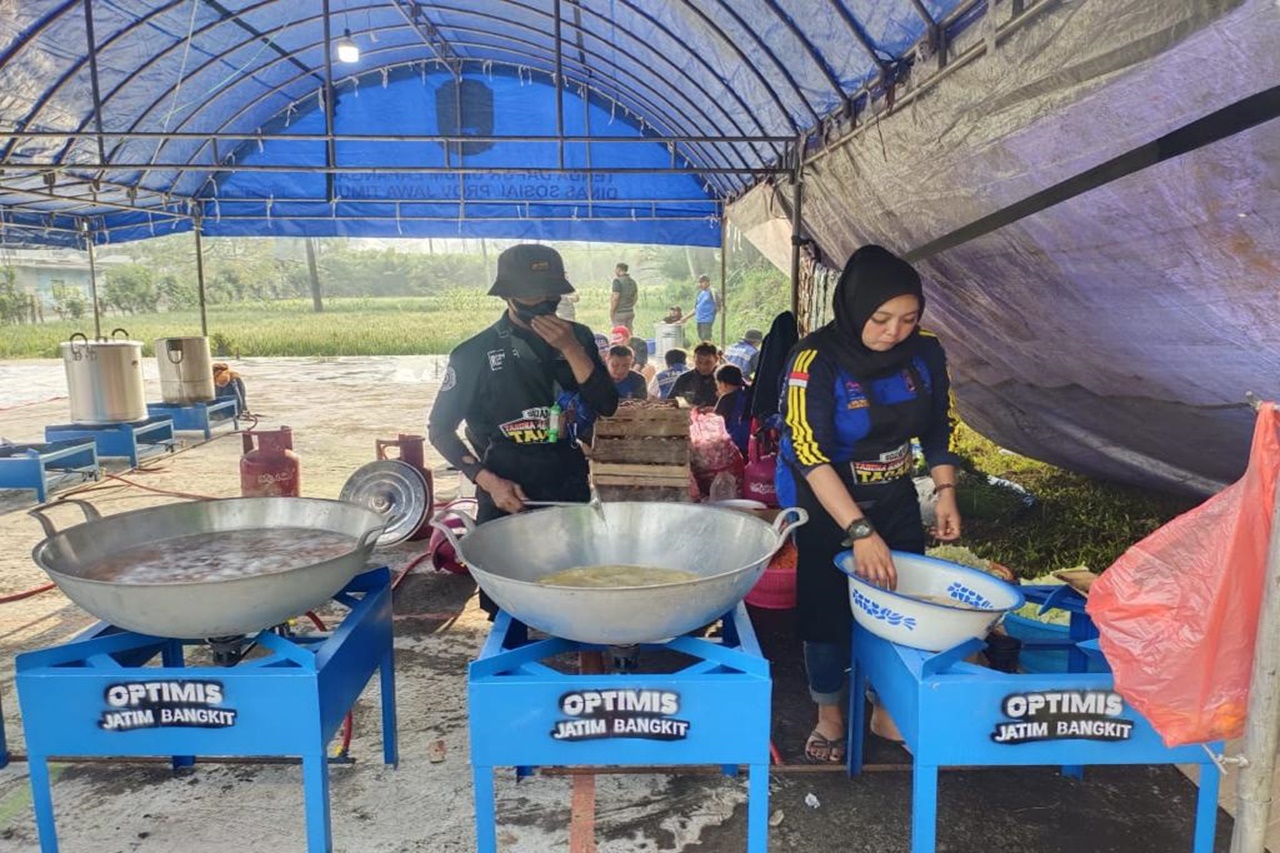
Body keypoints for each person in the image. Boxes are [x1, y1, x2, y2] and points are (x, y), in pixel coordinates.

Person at [775, 245, 962, 764]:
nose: (894, 331)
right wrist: (859, 530)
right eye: (881, 318)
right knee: (827, 608)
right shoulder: (815, 359)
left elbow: (937, 426)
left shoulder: (926, 352)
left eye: (909, 318)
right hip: (830, 502)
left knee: (903, 605)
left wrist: (945, 491)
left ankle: (886, 706)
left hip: (897, 495)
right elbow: (809, 453)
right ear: (855, 308)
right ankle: (829, 713)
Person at [427, 244, 619, 634]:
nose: (544, 303)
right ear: (508, 295)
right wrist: (489, 481)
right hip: (506, 487)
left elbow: (606, 405)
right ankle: (510, 662)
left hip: (566, 482)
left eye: (552, 294)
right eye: (533, 295)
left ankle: (583, 661)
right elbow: (439, 430)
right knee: (509, 598)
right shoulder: (474, 353)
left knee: (577, 587)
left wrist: (570, 349)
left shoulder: (579, 337)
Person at [713, 364, 751, 456]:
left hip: (734, 446)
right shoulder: (750, 393)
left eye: (717, 384)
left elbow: (717, 423)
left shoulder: (726, 399)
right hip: (751, 444)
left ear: (723, 384)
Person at [669, 341, 720, 407]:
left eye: (708, 363)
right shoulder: (684, 379)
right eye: (699, 362)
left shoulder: (725, 379)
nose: (703, 367)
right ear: (693, 359)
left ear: (716, 359)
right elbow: (671, 402)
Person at [611, 262, 638, 331]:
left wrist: (612, 310)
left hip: (620, 313)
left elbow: (615, 298)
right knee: (629, 333)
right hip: (630, 312)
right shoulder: (632, 282)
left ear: (619, 269)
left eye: (616, 269)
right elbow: (635, 297)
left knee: (620, 333)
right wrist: (629, 305)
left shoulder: (617, 281)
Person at [692, 275, 717, 342]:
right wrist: (685, 318)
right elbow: (696, 308)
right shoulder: (700, 293)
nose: (700, 284)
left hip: (707, 319)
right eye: (700, 282)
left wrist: (714, 313)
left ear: (708, 282)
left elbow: (719, 303)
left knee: (706, 338)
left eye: (702, 282)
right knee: (701, 338)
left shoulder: (712, 292)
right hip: (699, 320)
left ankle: (708, 351)